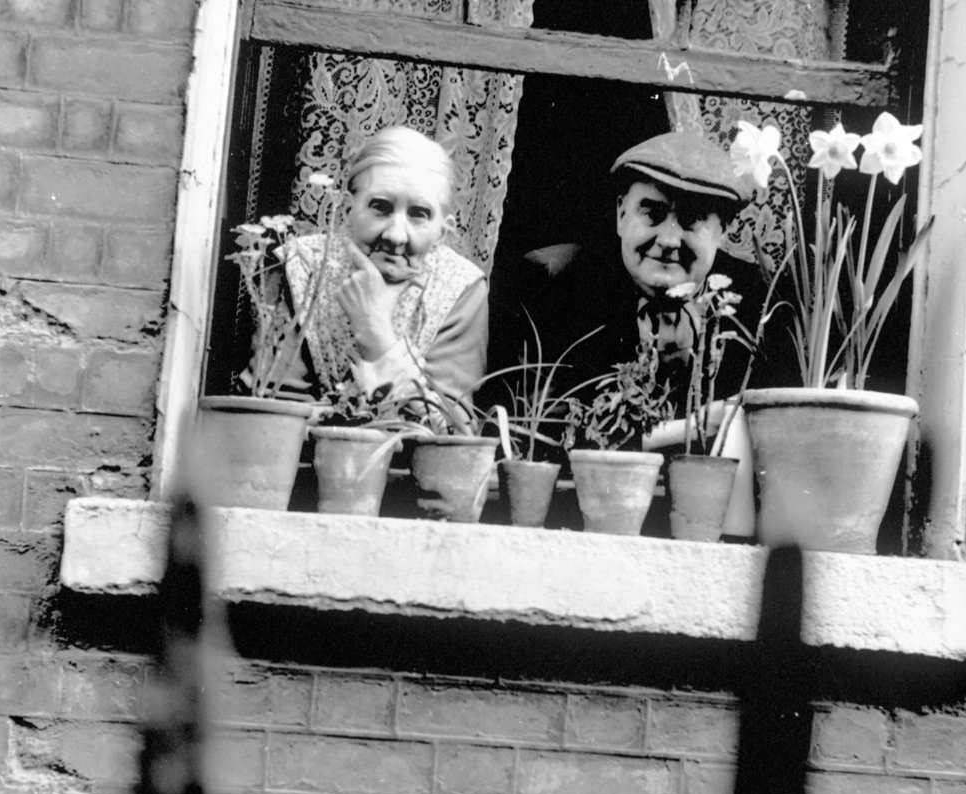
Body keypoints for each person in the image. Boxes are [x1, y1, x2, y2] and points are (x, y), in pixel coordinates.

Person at [489, 130, 790, 534]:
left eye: (691, 220)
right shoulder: (556, 286)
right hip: (581, 526)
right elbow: (534, 439)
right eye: (652, 213)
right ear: (620, 214)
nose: (668, 240)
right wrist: (686, 428)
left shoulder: (760, 304)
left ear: (722, 233)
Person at [278, 125, 488, 411]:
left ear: (442, 231)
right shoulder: (301, 266)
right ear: (348, 209)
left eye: (419, 214)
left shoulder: (462, 287)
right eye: (380, 207)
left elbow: (449, 433)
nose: (396, 235)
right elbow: (276, 413)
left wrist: (375, 332)